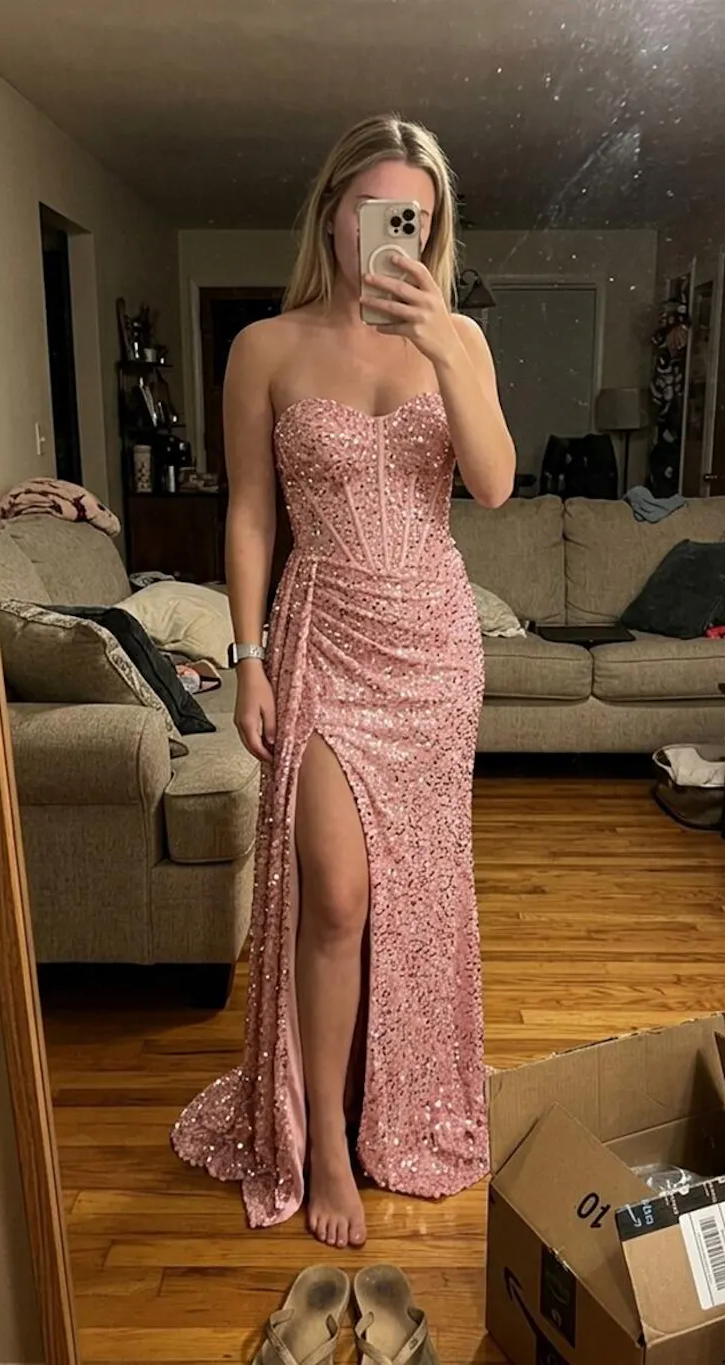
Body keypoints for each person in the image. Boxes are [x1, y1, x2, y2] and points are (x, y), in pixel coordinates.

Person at [171, 113, 515, 1249]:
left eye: (415, 214)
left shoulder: (458, 337)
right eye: (374, 208)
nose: (394, 230)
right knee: (334, 896)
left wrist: (445, 348)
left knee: (417, 894)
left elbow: (494, 484)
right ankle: (323, 1136)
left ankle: (396, 1097)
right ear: (331, 214)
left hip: (433, 644)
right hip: (323, 637)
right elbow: (249, 513)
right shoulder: (263, 348)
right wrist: (247, 657)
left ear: (434, 226)